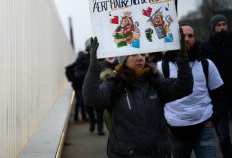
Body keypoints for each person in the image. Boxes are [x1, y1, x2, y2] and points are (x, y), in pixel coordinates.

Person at [82, 29, 193, 157]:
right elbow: (91, 98)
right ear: (123, 59)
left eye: (142, 54)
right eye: (134, 54)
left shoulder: (154, 81)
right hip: (126, 154)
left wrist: (183, 59)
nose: (140, 58)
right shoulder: (114, 84)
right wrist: (93, 67)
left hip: (158, 153)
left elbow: (185, 87)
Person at [158, 24, 224, 158]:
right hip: (174, 131)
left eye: (190, 36)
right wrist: (165, 126)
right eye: (182, 36)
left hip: (204, 128)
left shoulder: (206, 64)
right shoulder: (162, 66)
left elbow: (221, 96)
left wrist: (212, 121)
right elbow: (155, 100)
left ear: (195, 39)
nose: (186, 39)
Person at [202, 14, 232, 157]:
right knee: (223, 133)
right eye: (218, 25)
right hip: (218, 97)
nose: (222, 28)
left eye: (224, 24)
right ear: (213, 28)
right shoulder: (206, 47)